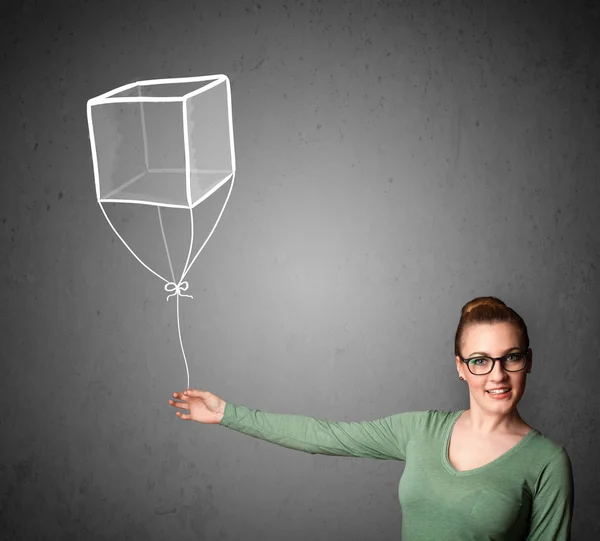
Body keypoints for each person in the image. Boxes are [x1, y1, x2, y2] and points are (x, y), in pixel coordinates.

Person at [168, 296, 574, 540]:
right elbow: (324, 435)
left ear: (528, 361)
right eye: (480, 361)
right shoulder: (420, 431)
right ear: (460, 367)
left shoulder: (545, 462)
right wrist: (228, 414)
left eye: (511, 358)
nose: (498, 375)